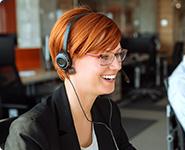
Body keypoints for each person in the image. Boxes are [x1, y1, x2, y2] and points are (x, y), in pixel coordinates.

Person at [5, 7, 135, 150]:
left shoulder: (108, 110)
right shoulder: (31, 132)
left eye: (118, 54)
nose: (117, 66)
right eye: (104, 56)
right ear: (67, 60)